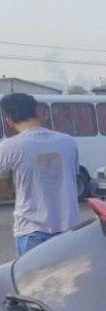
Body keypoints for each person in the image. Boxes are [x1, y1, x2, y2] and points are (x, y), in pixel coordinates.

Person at [0, 93, 80, 255]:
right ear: (37, 111)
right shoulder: (68, 141)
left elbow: (3, 188)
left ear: (8, 120)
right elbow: (73, 176)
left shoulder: (7, 148)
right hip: (69, 229)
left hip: (31, 231)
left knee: (31, 273)